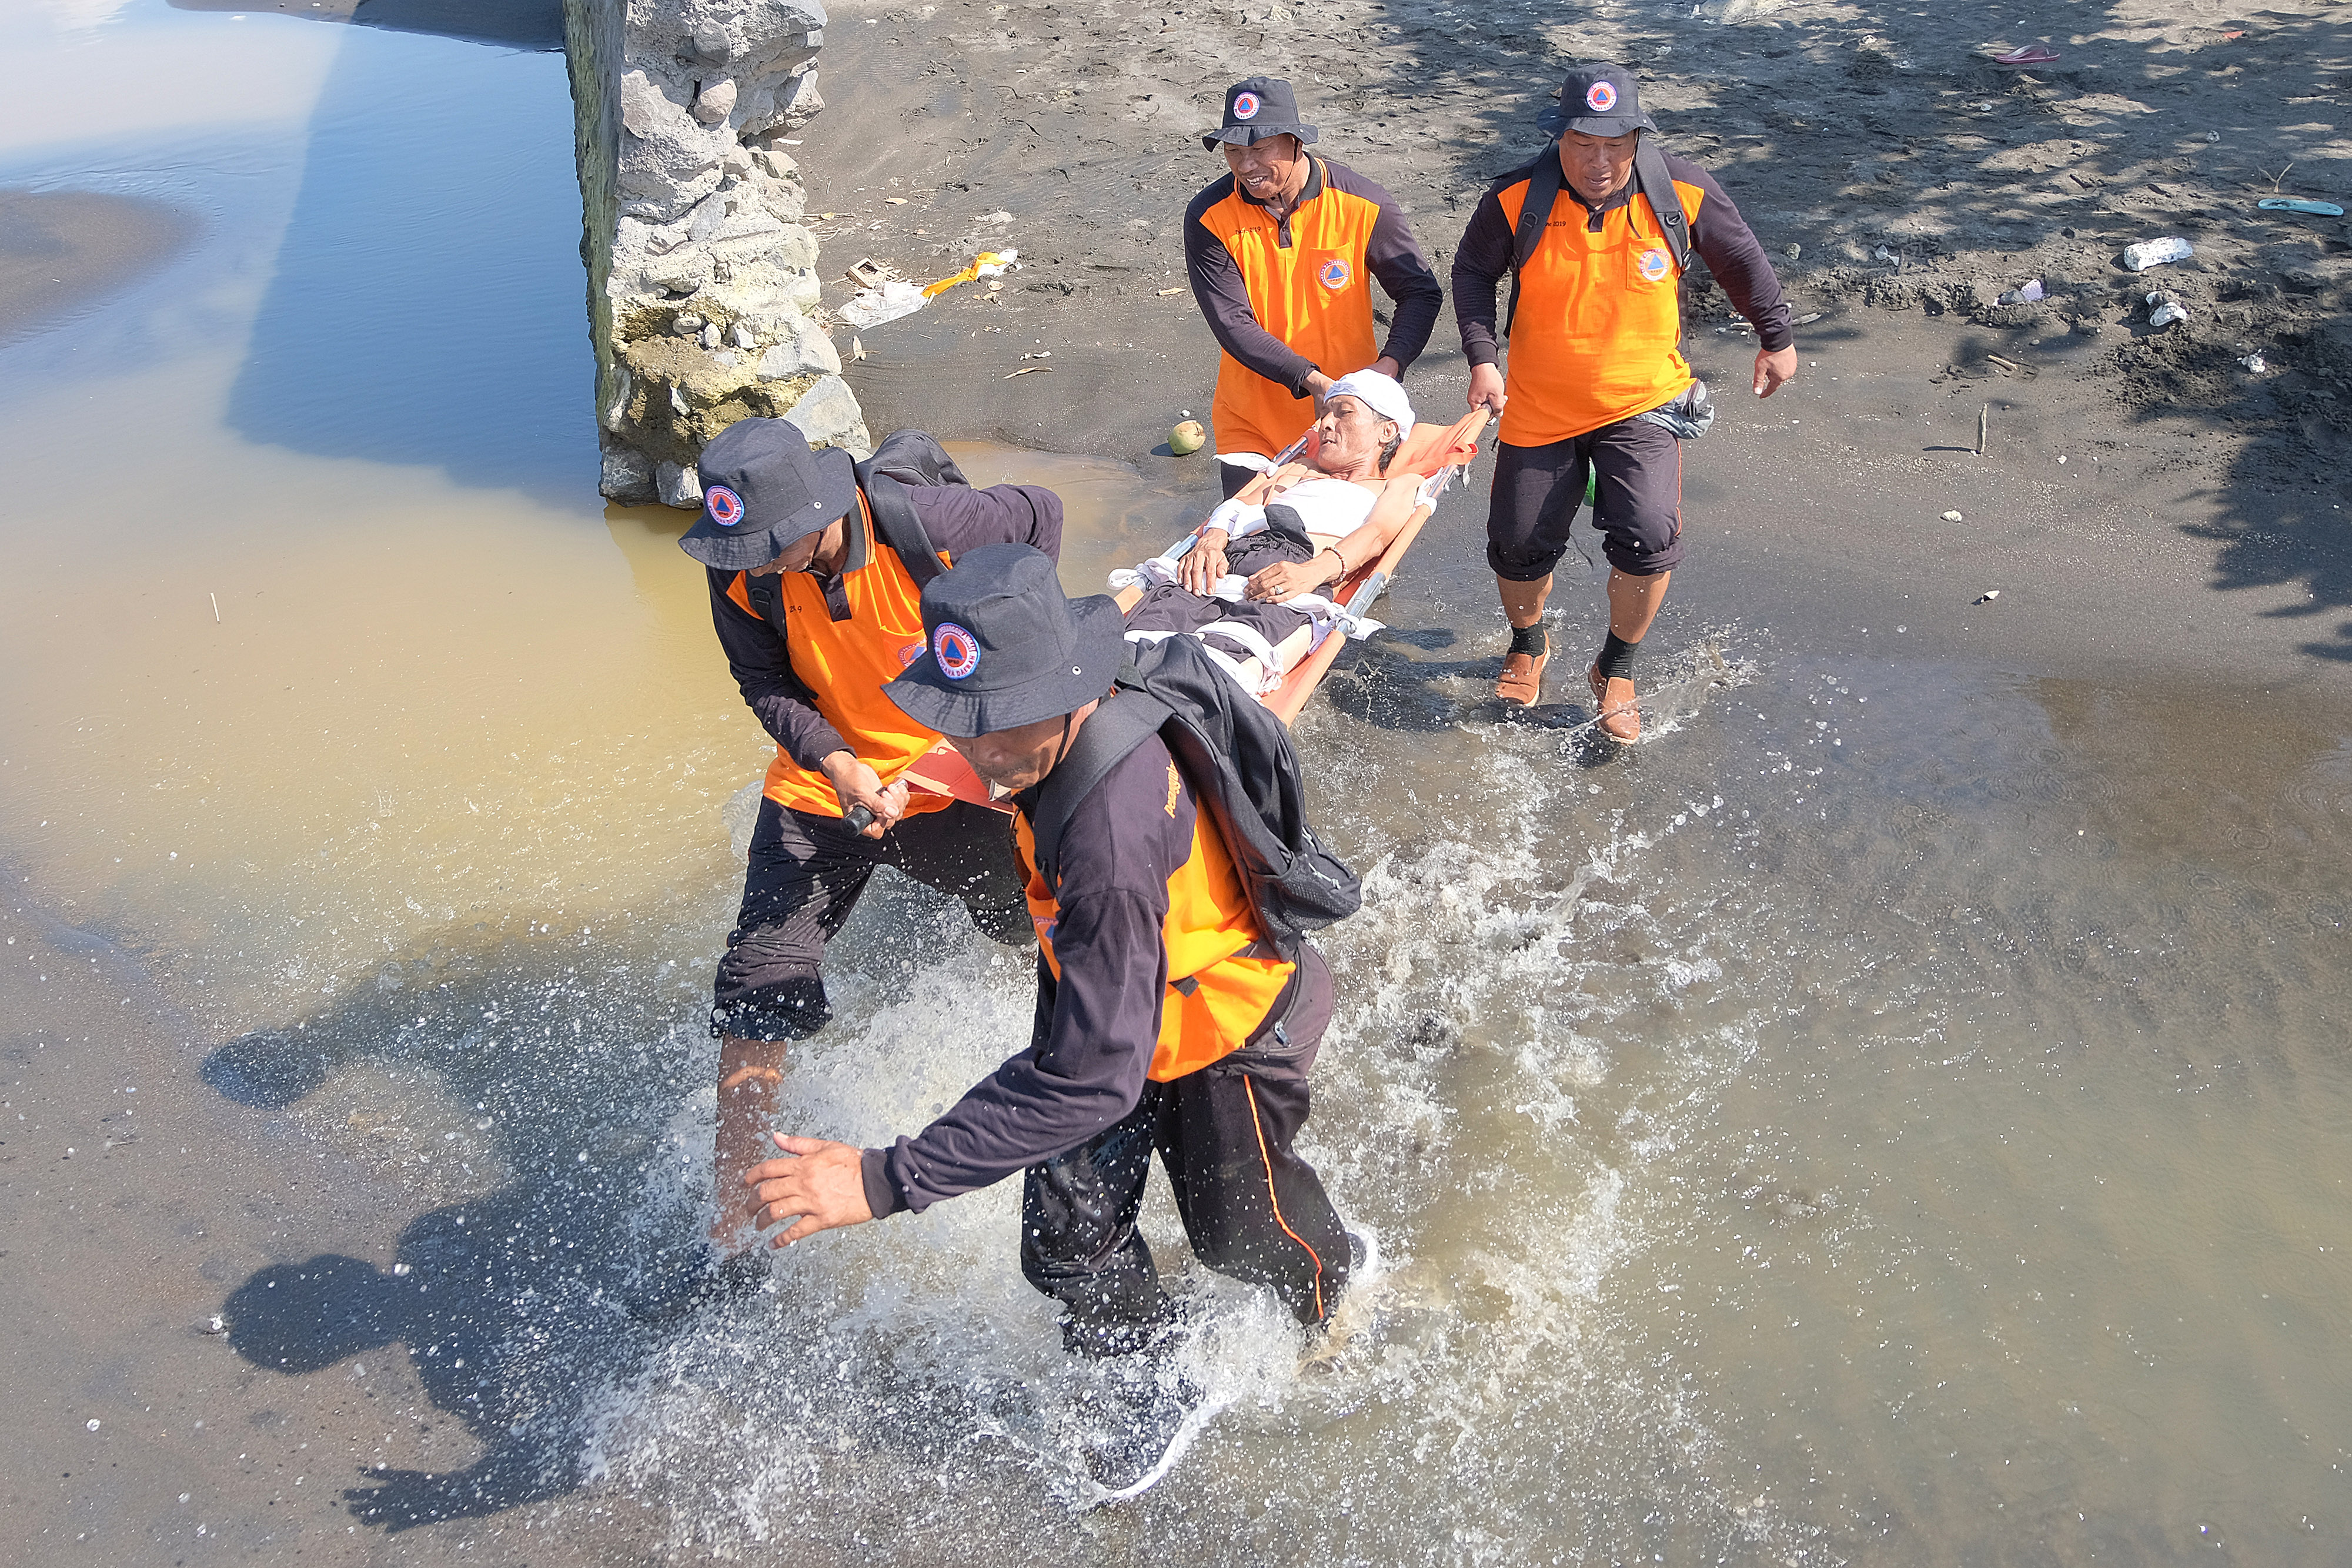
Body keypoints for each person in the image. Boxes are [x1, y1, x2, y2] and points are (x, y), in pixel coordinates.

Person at [736, 544, 1352, 1367]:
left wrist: (885, 1178)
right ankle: (1146, 1391)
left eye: (999, 716)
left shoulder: (1108, 841)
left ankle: (1333, 1304)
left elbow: (1093, 1076)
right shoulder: (1080, 709)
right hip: (1113, 982)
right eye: (963, 716)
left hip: (1224, 1025)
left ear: (1067, 689)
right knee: (1066, 1241)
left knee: (1239, 1234)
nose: (976, 748)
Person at [679, 418, 1063, 1259]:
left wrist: (996, 691)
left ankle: (1046, 1048)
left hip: (950, 777)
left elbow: (1041, 515)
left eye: (765, 545)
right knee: (756, 974)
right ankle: (736, 1211)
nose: (747, 559)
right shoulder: (743, 570)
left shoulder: (919, 523)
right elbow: (763, 679)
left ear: (818, 517)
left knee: (1011, 920)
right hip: (830, 782)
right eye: (737, 544)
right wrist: (837, 759)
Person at [1451, 63, 1796, 737]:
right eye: (1583, 144)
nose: (1600, 161)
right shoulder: (1516, 195)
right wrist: (1482, 357)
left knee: (1647, 538)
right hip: (1539, 403)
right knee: (1517, 543)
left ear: (1639, 137)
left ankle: (1616, 665)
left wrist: (1776, 337)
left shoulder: (1680, 189)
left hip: (1643, 399)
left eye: (1617, 144)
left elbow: (1741, 259)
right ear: (1559, 137)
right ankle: (1528, 644)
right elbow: (1471, 272)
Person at [1186, 76, 1444, 498]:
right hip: (1249, 426)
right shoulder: (1207, 217)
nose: (1245, 165)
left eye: (1258, 150)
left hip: (1347, 430)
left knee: (1334, 552)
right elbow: (1233, 323)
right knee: (1245, 546)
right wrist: (1312, 380)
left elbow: (1420, 291)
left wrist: (1389, 367)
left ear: (1295, 142)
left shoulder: (1364, 204)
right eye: (1234, 152)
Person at [1122, 369, 1426, 694]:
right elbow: (1237, 505)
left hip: (1293, 573)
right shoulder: (1300, 469)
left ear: (1387, 431)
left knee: (1214, 666)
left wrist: (1309, 574)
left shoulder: (1396, 486)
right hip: (1226, 561)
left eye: (1344, 413)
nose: (1325, 424)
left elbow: (1377, 534)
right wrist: (1210, 540)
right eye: (1325, 413)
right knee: (1133, 645)